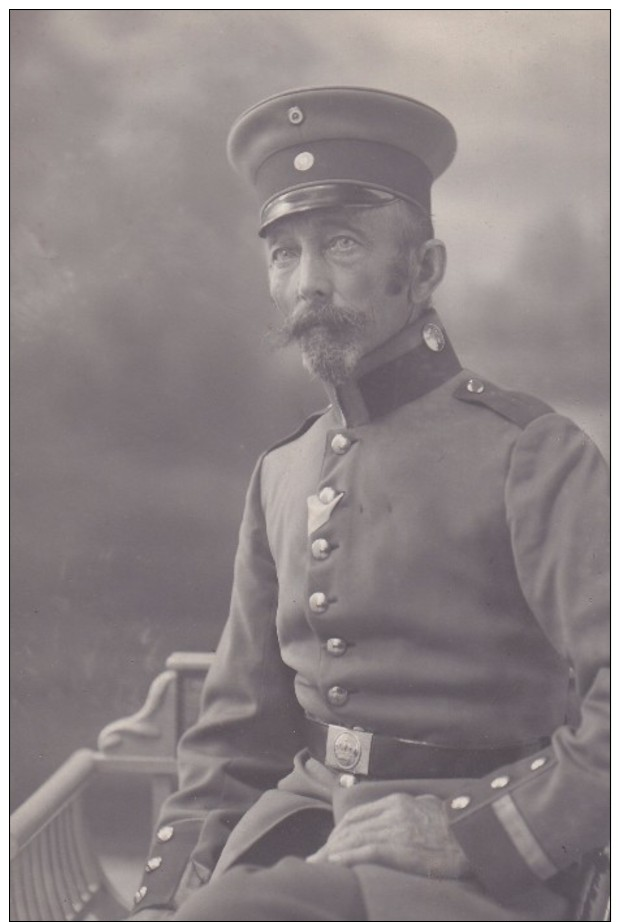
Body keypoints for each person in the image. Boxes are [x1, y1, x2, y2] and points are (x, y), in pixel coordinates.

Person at [129, 87, 609, 922]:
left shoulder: (532, 453)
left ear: (424, 269)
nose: (307, 282)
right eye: (284, 253)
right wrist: (159, 902)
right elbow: (234, 740)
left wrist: (472, 836)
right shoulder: (281, 471)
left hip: (476, 868)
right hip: (304, 829)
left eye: (342, 244)